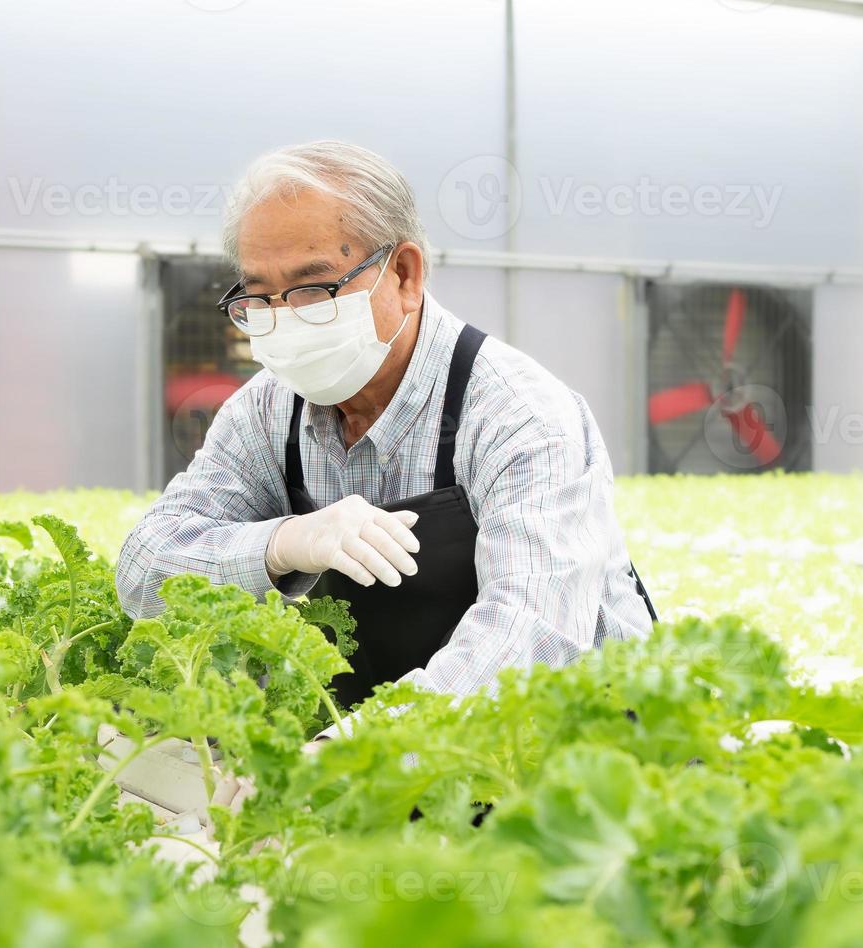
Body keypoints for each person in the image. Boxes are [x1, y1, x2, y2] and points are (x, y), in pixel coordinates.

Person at [117, 140, 655, 741]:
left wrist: (358, 753)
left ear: (404, 274)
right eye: (258, 295)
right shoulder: (268, 412)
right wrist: (283, 543)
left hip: (569, 752)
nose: (283, 317)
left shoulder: (518, 414)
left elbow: (530, 634)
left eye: (312, 288)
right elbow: (145, 567)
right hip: (392, 759)